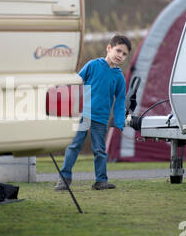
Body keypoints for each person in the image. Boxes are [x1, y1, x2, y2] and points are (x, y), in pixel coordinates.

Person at [55, 35, 131, 191]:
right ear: (109, 48)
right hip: (83, 114)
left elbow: (120, 101)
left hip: (101, 118)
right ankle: (64, 179)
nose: (120, 56)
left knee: (99, 151)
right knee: (74, 146)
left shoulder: (119, 77)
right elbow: (76, 83)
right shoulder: (92, 65)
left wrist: (119, 121)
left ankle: (101, 181)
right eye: (118, 51)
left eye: (124, 54)